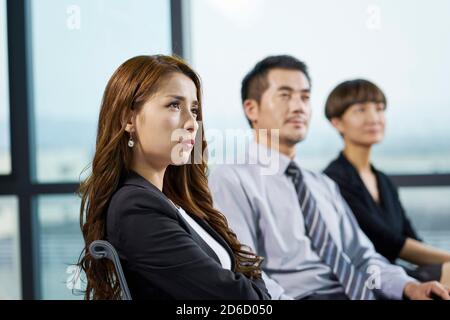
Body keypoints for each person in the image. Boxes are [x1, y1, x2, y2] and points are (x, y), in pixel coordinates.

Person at [208, 55, 450, 300]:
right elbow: (246, 271)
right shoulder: (231, 180)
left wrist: (410, 287)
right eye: (285, 95)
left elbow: (363, 257)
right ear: (252, 109)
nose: (298, 106)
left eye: (305, 96)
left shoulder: (322, 185)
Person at [77, 55, 270, 300]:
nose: (192, 123)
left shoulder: (173, 201)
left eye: (194, 109)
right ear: (128, 118)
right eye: (174, 105)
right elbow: (244, 300)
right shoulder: (135, 208)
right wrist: (256, 285)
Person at [323, 79, 450, 286]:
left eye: (379, 109)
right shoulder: (333, 180)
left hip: (395, 276)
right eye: (360, 110)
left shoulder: (383, 181)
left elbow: (413, 240)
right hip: (365, 280)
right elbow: (389, 244)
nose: (374, 118)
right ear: (336, 122)